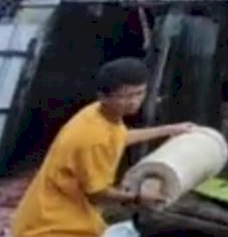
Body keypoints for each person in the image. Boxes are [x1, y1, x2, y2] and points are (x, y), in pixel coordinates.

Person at [10, 58, 194, 237]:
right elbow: (97, 194)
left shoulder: (98, 113)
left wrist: (170, 130)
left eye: (139, 93)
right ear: (103, 96)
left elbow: (119, 137)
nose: (134, 102)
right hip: (53, 226)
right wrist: (138, 199)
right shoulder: (92, 137)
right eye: (125, 96)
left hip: (52, 211)